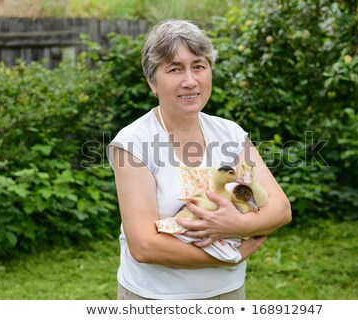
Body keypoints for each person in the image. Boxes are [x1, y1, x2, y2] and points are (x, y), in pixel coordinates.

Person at [106, 19, 292, 300]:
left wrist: (236, 227)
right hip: (156, 298)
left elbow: (280, 209)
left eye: (199, 66)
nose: (190, 80)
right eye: (174, 69)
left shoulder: (229, 133)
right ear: (152, 82)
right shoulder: (134, 142)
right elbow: (144, 246)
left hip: (227, 293)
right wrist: (230, 256)